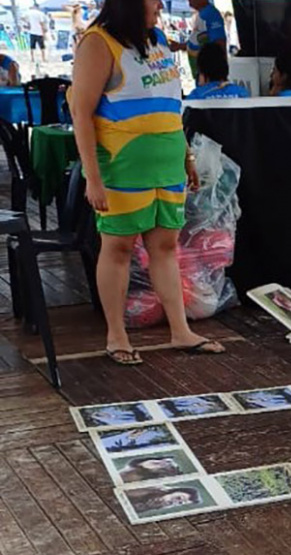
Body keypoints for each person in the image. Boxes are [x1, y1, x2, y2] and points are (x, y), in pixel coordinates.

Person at [70, 0, 227, 365]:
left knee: (166, 247)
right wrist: (93, 177)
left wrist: (185, 156)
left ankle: (180, 331)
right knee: (119, 248)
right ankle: (116, 335)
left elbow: (171, 105)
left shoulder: (157, 40)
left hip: (167, 164)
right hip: (123, 166)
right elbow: (81, 111)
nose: (159, 5)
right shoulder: (97, 42)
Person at [170, 0, 226, 79]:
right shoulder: (202, 14)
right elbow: (197, 42)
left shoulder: (211, 14)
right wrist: (179, 46)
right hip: (201, 73)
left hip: (209, 75)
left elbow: (219, 43)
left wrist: (216, 74)